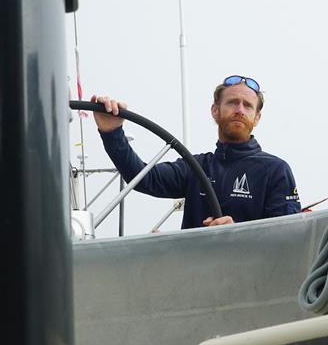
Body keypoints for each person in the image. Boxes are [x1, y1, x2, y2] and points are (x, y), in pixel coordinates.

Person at [91, 75, 301, 229]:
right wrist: (112, 132)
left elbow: (288, 234)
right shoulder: (196, 167)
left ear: (257, 118)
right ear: (215, 111)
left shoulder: (275, 170)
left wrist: (237, 230)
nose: (239, 109)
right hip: (195, 282)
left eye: (248, 106)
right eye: (232, 102)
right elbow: (145, 178)